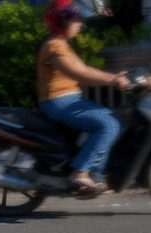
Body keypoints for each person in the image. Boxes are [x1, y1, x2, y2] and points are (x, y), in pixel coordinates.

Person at [37, 0, 130, 193]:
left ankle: (95, 175)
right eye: (75, 19)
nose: (80, 23)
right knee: (108, 125)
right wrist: (113, 80)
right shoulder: (55, 46)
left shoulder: (62, 44)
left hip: (69, 100)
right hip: (59, 102)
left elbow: (85, 70)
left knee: (109, 118)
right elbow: (79, 73)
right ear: (62, 22)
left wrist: (117, 77)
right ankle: (80, 172)